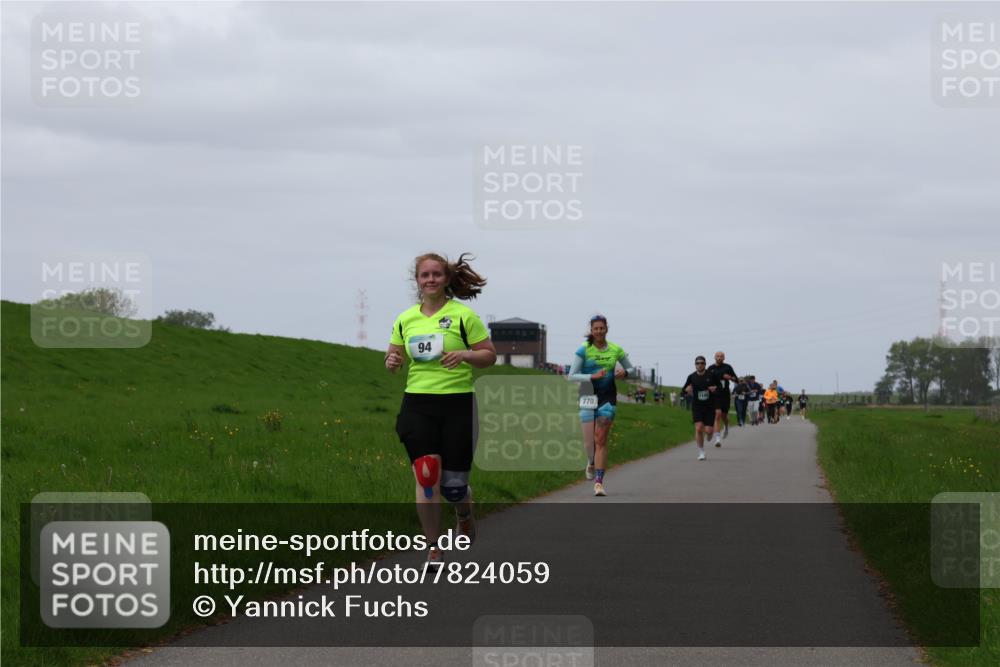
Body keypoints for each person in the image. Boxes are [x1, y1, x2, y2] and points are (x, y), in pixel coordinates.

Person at [386, 252, 497, 566]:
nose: (431, 279)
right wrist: (391, 361)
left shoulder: (463, 316)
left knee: (453, 486)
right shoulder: (406, 319)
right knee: (426, 474)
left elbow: (489, 356)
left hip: (458, 404)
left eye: (437, 274)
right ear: (418, 281)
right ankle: (433, 546)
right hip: (417, 403)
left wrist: (463, 355)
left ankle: (464, 513)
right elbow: (393, 357)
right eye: (425, 275)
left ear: (447, 279)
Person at [567, 315, 636, 496]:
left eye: (601, 328)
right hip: (587, 395)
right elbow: (571, 375)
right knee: (590, 441)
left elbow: (632, 369)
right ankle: (590, 460)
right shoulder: (584, 349)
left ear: (607, 329)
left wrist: (625, 373)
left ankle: (598, 482)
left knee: (601, 439)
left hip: (607, 397)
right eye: (595, 328)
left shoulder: (615, 349)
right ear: (591, 330)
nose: (599, 331)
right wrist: (591, 376)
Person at [683, 356, 718, 461]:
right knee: (698, 428)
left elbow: (720, 387)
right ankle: (701, 452)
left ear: (705, 364)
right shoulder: (691, 377)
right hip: (697, 406)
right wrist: (686, 390)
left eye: (702, 363)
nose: (700, 365)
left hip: (709, 406)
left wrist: (715, 389)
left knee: (708, 430)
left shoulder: (711, 375)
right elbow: (683, 391)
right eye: (697, 363)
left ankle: (710, 434)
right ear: (695, 365)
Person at [708, 351, 738, 446]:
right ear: (714, 357)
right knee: (717, 415)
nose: (719, 358)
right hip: (715, 395)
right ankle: (717, 438)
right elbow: (707, 380)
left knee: (724, 416)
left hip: (725, 395)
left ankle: (726, 425)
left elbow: (736, 380)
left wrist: (729, 377)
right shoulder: (710, 368)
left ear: (724, 358)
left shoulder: (728, 367)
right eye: (718, 356)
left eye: (721, 356)